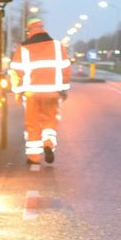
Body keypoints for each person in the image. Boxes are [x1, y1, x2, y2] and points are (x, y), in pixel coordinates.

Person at [9, 16, 71, 165]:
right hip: (53, 93)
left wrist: (18, 91)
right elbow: (65, 70)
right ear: (43, 27)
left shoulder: (23, 48)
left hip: (32, 94)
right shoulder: (57, 46)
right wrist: (64, 89)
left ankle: (34, 158)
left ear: (29, 30)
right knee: (50, 122)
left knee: (33, 124)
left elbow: (16, 72)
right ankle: (48, 144)